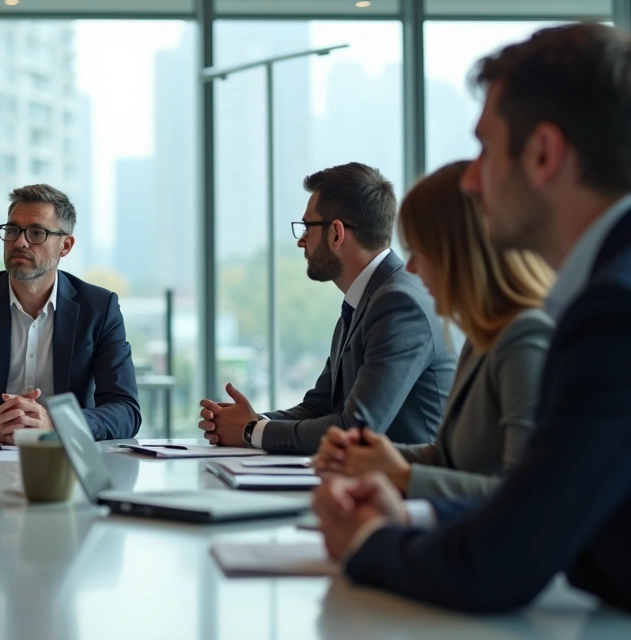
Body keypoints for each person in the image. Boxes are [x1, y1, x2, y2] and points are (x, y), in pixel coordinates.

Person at [313, 23, 631, 612]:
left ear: (543, 154)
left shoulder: (611, 314)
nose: (472, 180)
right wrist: (414, 511)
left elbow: (500, 567)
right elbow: (546, 510)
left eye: (485, 147)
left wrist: (369, 542)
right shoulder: (597, 299)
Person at [312, 161, 555, 499]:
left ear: (458, 255)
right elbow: (446, 457)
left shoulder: (525, 339)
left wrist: (401, 475)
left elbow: (530, 495)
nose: (409, 267)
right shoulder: (482, 340)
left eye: (419, 251)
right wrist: (370, 457)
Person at [198, 163, 456, 455]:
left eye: (307, 226)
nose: (300, 240)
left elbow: (356, 428)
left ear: (336, 233)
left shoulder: (398, 303)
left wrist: (250, 430)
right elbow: (318, 407)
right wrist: (248, 422)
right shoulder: (363, 301)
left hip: (407, 493)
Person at [0, 184, 141, 443]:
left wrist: (58, 424)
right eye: (12, 230)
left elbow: (126, 410)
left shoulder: (99, 308)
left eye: (36, 233)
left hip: (66, 464)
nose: (20, 242)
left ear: (65, 245)